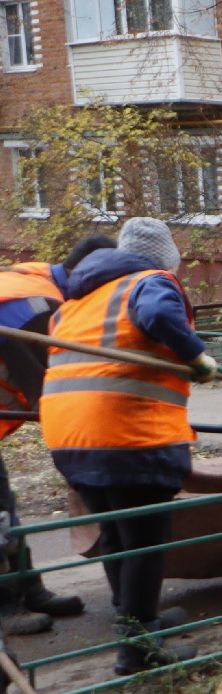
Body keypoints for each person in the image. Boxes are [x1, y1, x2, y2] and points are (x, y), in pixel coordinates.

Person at [40, 219, 218, 675]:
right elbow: (159, 317)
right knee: (142, 540)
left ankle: (138, 621)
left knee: (117, 536)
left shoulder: (77, 301)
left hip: (68, 437)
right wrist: (196, 358)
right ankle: (139, 650)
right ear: (164, 259)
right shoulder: (149, 281)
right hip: (127, 434)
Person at [0, 244, 109, 637]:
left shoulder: (36, 278)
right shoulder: (36, 307)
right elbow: (51, 394)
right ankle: (6, 610)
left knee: (5, 510)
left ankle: (28, 591)